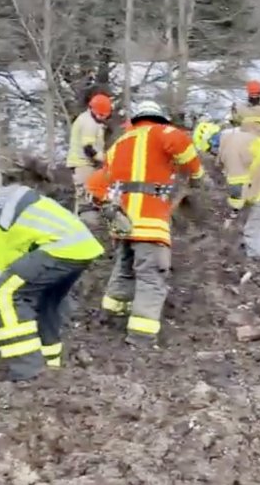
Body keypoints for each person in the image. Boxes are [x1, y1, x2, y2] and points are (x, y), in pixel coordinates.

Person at [0, 175, 104, 381]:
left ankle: (28, 371)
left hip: (60, 248)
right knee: (43, 300)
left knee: (2, 292)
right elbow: (14, 261)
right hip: (81, 246)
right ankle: (51, 364)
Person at [87, 100, 205, 347]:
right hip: (150, 223)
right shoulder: (165, 133)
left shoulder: (118, 144)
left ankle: (111, 315)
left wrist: (108, 205)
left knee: (124, 269)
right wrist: (197, 176)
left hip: (123, 224)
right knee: (152, 277)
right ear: (159, 118)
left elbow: (96, 185)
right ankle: (141, 336)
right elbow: (185, 149)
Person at [193, 121, 260, 260]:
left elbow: (236, 185)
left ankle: (256, 264)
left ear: (211, 142)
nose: (211, 154)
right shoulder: (235, 139)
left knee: (253, 229)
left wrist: (233, 210)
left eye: (209, 149)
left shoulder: (229, 149)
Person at [67, 93, 112, 225]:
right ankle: (86, 225)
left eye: (104, 115)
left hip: (82, 164)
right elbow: (88, 149)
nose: (102, 118)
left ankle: (82, 224)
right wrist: (106, 160)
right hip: (83, 164)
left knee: (85, 197)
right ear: (92, 109)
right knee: (87, 198)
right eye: (100, 115)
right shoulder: (89, 124)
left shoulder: (88, 119)